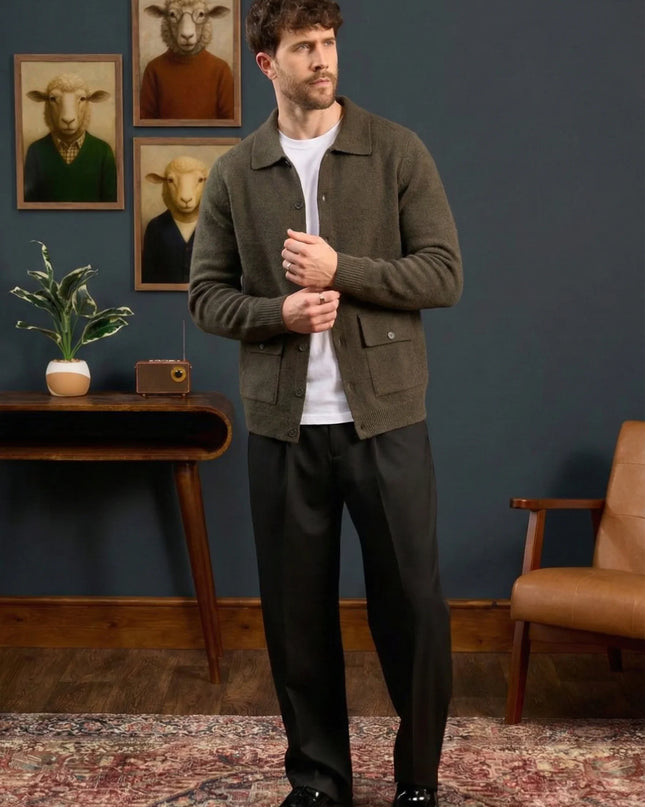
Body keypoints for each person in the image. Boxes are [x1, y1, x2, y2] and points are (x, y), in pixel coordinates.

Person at [188, 2, 463, 805]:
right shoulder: (238, 172)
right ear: (267, 63)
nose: (323, 59)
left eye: (329, 43)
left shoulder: (395, 151)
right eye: (303, 46)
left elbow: (442, 274)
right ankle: (317, 779)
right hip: (283, 427)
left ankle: (417, 779)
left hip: (385, 419)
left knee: (412, 605)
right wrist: (277, 312)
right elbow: (206, 296)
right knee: (294, 616)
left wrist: (341, 268)